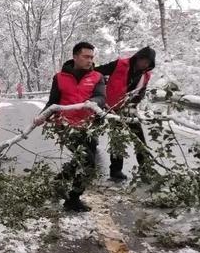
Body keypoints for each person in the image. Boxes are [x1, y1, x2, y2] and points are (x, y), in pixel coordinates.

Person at [34, 42, 105, 212]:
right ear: (75, 57)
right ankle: (73, 199)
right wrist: (42, 116)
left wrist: (92, 103)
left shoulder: (97, 77)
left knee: (84, 157)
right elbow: (53, 102)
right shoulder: (59, 77)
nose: (90, 60)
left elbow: (100, 97)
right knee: (88, 161)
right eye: (86, 57)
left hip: (88, 126)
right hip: (65, 126)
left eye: (91, 57)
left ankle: (60, 179)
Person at [95, 47, 156, 181]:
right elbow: (97, 71)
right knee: (117, 139)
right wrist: (100, 85)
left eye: (148, 62)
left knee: (139, 139)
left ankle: (146, 169)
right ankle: (116, 171)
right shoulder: (120, 64)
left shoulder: (146, 75)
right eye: (143, 60)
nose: (144, 64)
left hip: (130, 109)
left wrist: (132, 103)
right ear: (138, 57)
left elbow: (141, 92)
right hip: (114, 109)